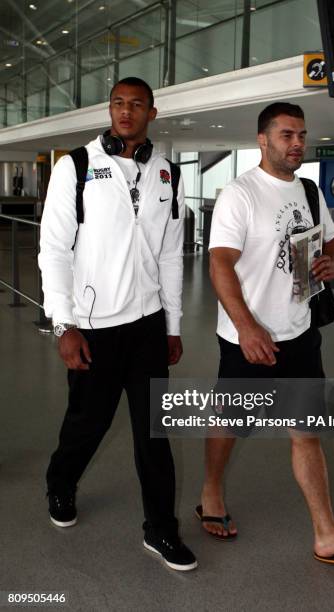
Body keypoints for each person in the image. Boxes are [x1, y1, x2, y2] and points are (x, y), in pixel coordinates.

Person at [197, 102, 334, 568]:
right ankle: (211, 491)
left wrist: (330, 259)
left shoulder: (310, 190)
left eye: (301, 135)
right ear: (263, 139)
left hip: (300, 332)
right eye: (286, 135)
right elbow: (218, 263)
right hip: (247, 336)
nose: (297, 143)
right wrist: (246, 326)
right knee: (229, 420)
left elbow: (331, 237)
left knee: (306, 433)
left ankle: (326, 534)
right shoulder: (241, 194)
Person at [38, 77, 197, 572]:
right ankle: (60, 484)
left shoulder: (167, 174)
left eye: (136, 105)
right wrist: (63, 324)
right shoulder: (77, 166)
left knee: (154, 433)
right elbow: (53, 251)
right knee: (88, 423)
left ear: (153, 111)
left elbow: (172, 256)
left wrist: (172, 325)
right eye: (117, 104)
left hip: (147, 325)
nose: (125, 112)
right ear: (110, 110)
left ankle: (160, 530)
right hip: (94, 327)